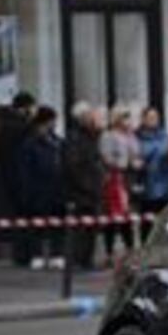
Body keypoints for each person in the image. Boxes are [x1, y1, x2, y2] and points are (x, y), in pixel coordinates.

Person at [19, 106, 66, 270]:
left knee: (57, 224)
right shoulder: (30, 143)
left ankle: (57, 254)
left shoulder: (58, 141)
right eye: (51, 121)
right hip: (38, 189)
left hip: (57, 189)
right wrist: (28, 191)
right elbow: (25, 170)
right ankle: (37, 254)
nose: (53, 124)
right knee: (37, 224)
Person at [64, 102, 105, 270]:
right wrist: (88, 186)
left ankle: (86, 259)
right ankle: (80, 260)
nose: (93, 118)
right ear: (81, 118)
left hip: (92, 190)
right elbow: (74, 166)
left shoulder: (91, 136)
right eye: (89, 115)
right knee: (82, 228)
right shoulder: (75, 138)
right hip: (81, 192)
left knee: (91, 228)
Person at [0, 92, 37, 266]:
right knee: (24, 216)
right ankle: (23, 254)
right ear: (25, 107)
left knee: (11, 216)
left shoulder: (2, 123)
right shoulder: (23, 127)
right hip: (20, 176)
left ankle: (15, 253)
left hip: (3, 176)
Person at [100, 106, 140, 267]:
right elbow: (106, 156)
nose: (127, 121)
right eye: (124, 117)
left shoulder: (131, 136)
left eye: (128, 117)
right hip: (114, 177)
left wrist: (135, 161)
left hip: (129, 177)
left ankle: (130, 251)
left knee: (127, 216)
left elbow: (136, 154)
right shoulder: (108, 136)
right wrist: (120, 162)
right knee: (112, 216)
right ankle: (109, 253)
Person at [136, 107, 168, 242]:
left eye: (156, 117)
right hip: (147, 185)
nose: (153, 120)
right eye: (150, 117)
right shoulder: (137, 137)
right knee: (147, 223)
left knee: (165, 223)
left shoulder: (165, 136)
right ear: (143, 119)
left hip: (166, 185)